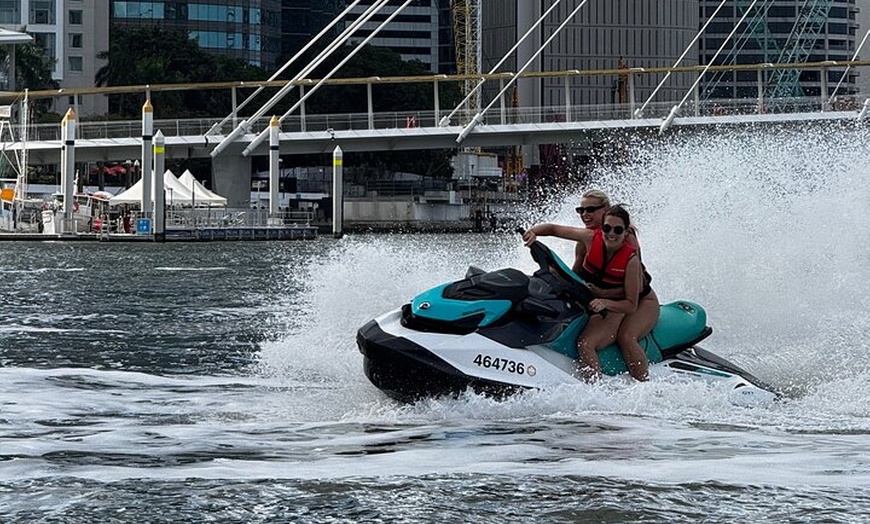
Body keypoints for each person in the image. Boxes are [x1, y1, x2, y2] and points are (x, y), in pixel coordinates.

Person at [522, 201, 658, 382]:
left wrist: (604, 300)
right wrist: (533, 232)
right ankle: (592, 386)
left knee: (625, 337)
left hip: (639, 303)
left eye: (617, 230)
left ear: (625, 232)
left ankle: (642, 386)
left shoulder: (631, 260)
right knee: (582, 338)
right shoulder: (589, 238)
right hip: (608, 303)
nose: (611, 234)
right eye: (607, 228)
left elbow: (631, 304)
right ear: (601, 228)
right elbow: (554, 229)